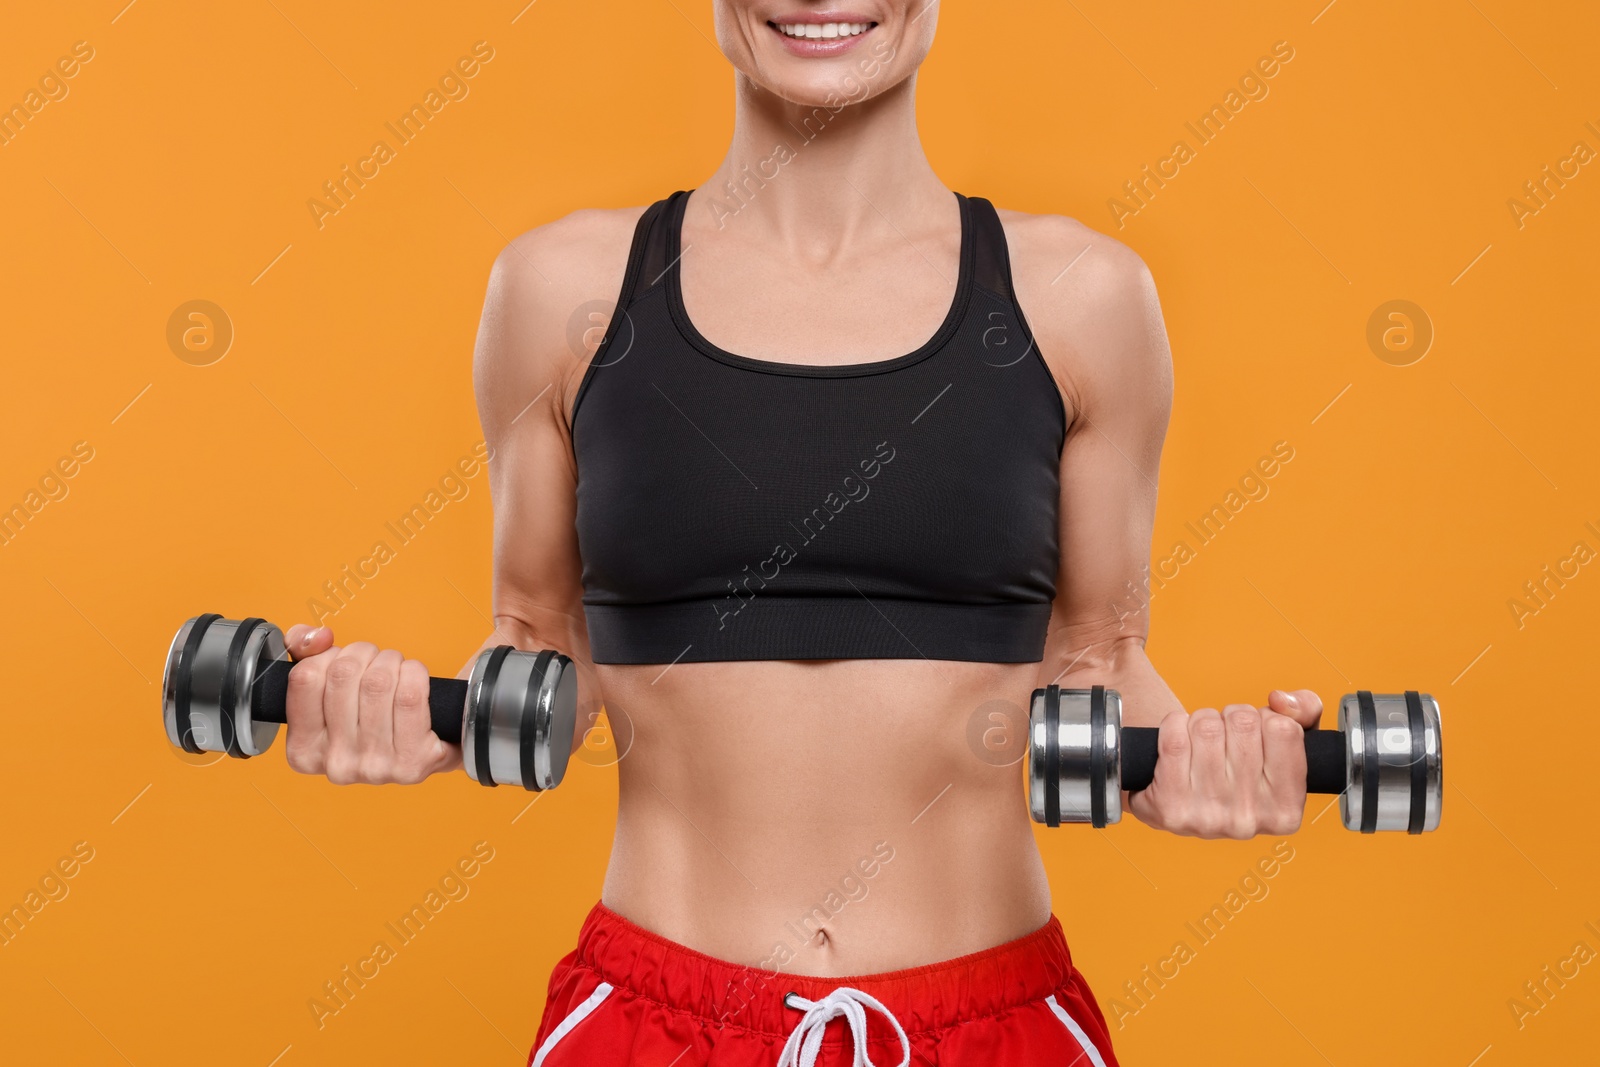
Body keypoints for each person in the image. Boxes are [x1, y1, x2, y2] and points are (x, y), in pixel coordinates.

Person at [278, 4, 1323, 1064]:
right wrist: (400, 713)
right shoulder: (560, 293)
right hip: (654, 1021)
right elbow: (542, 647)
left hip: (992, 1026)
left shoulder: (1083, 300)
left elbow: (1097, 663)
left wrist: (1213, 762)